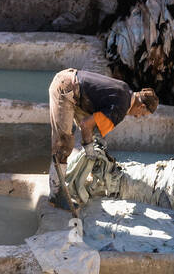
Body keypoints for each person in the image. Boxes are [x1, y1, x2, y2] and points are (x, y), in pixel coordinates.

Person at [48, 68, 158, 212]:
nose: (138, 117)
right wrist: (89, 149)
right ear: (142, 106)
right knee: (64, 144)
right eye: (142, 114)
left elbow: (92, 124)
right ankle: (56, 195)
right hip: (66, 88)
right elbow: (85, 124)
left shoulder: (126, 91)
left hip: (72, 82)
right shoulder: (121, 108)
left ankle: (70, 180)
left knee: (95, 137)